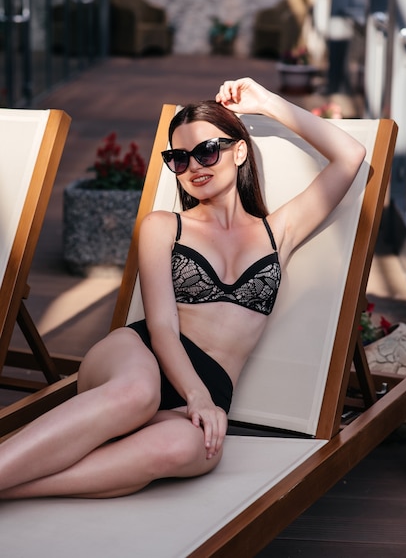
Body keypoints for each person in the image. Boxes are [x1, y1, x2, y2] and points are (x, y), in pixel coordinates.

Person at [0, 77, 365, 499]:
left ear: (239, 151)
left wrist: (267, 102)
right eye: (180, 158)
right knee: (137, 393)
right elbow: (161, 328)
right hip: (139, 357)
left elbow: (350, 156)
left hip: (202, 396)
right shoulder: (164, 226)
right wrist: (198, 397)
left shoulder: (277, 232)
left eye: (207, 150)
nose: (195, 166)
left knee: (188, 448)